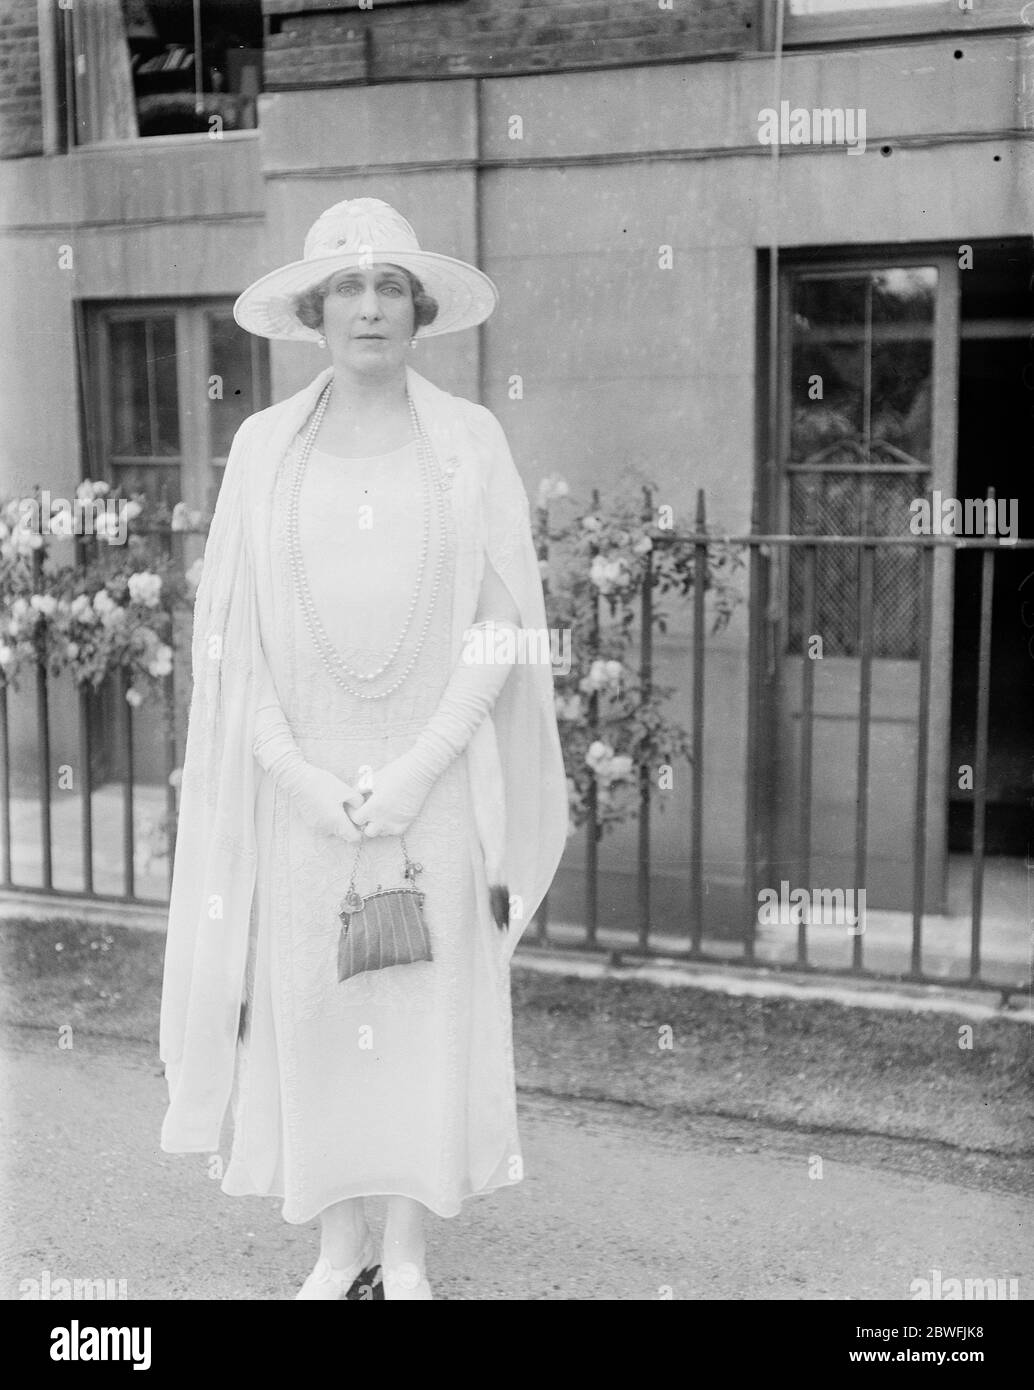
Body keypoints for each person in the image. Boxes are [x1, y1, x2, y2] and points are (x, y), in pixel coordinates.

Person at [158, 197, 569, 1300]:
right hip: (303, 794)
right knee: (319, 1014)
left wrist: (424, 763)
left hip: (428, 784)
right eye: (349, 286)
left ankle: (408, 1252)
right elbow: (231, 645)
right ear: (313, 310)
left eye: (392, 286)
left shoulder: (469, 441)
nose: (372, 306)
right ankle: (337, 1249)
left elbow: (502, 624)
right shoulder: (262, 447)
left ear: (421, 310)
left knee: (422, 1018)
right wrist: (295, 775)